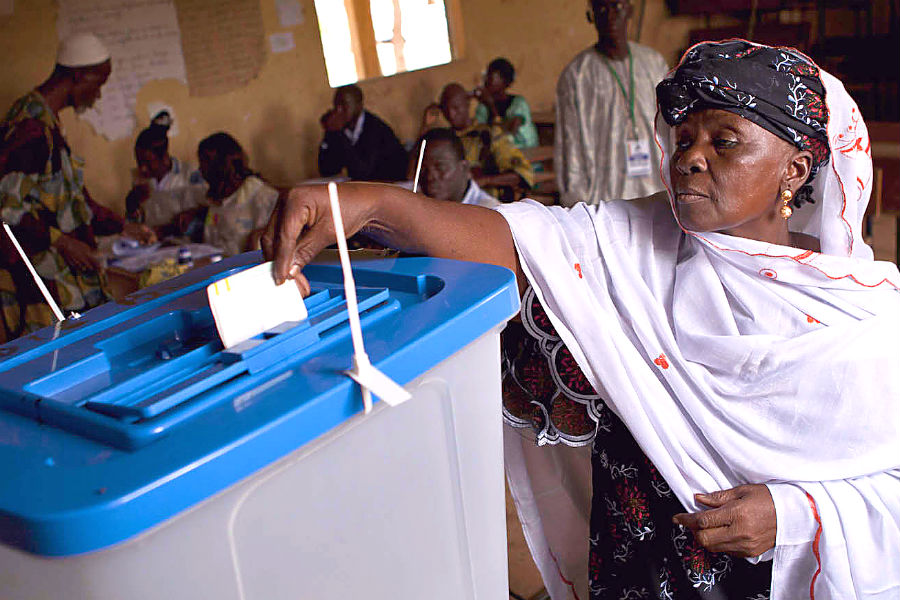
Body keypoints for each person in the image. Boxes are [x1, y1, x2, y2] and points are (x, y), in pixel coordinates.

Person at [264, 41, 900, 600]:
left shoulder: (864, 321)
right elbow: (515, 239)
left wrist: (796, 514)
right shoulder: (634, 242)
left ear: (794, 169)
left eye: (724, 142)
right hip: (637, 570)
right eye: (684, 139)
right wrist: (371, 204)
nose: (690, 158)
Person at [0, 33, 154, 341]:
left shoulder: (48, 123)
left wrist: (122, 226)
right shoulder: (30, 128)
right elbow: (7, 213)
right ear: (77, 75)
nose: (98, 95)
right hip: (40, 284)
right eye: (98, 84)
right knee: (56, 355)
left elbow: (71, 200)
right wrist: (64, 243)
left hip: (63, 277)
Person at [555, 0, 669, 207]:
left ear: (629, 11)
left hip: (655, 190)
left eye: (617, 7)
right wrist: (578, 205)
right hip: (603, 199)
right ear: (591, 16)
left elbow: (670, 130)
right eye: (601, 9)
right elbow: (569, 146)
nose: (610, 17)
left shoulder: (654, 64)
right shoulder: (577, 75)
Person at [423, 82, 534, 199]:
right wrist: (425, 124)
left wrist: (485, 181)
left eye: (456, 108)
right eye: (446, 110)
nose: (451, 114)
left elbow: (522, 173)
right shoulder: (444, 142)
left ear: (467, 104)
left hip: (488, 202)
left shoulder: (489, 135)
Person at [193, 132, 278, 257]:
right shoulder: (217, 198)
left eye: (206, 161)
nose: (200, 169)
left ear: (223, 164)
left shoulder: (262, 197)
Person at [124, 111, 206, 229]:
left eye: (148, 163)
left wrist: (193, 214)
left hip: (182, 239)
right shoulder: (139, 179)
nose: (142, 169)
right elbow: (137, 221)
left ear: (165, 158)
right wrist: (132, 207)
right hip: (151, 238)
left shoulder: (190, 175)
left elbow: (210, 211)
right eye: (139, 162)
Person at [317, 84, 408, 182]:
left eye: (344, 105)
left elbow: (363, 171)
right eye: (336, 105)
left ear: (359, 105)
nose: (339, 110)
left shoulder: (375, 128)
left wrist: (339, 133)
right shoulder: (341, 128)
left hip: (393, 183)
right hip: (369, 185)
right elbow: (327, 171)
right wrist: (329, 133)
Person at [418, 128, 500, 209]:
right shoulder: (417, 205)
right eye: (422, 168)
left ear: (465, 168)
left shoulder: (489, 212)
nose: (429, 177)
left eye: (440, 167)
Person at [474, 57, 539, 150]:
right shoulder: (483, 107)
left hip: (524, 152)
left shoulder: (519, 104)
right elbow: (480, 132)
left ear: (505, 82)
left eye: (491, 77)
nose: (486, 81)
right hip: (498, 153)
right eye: (486, 76)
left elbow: (510, 134)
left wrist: (491, 105)